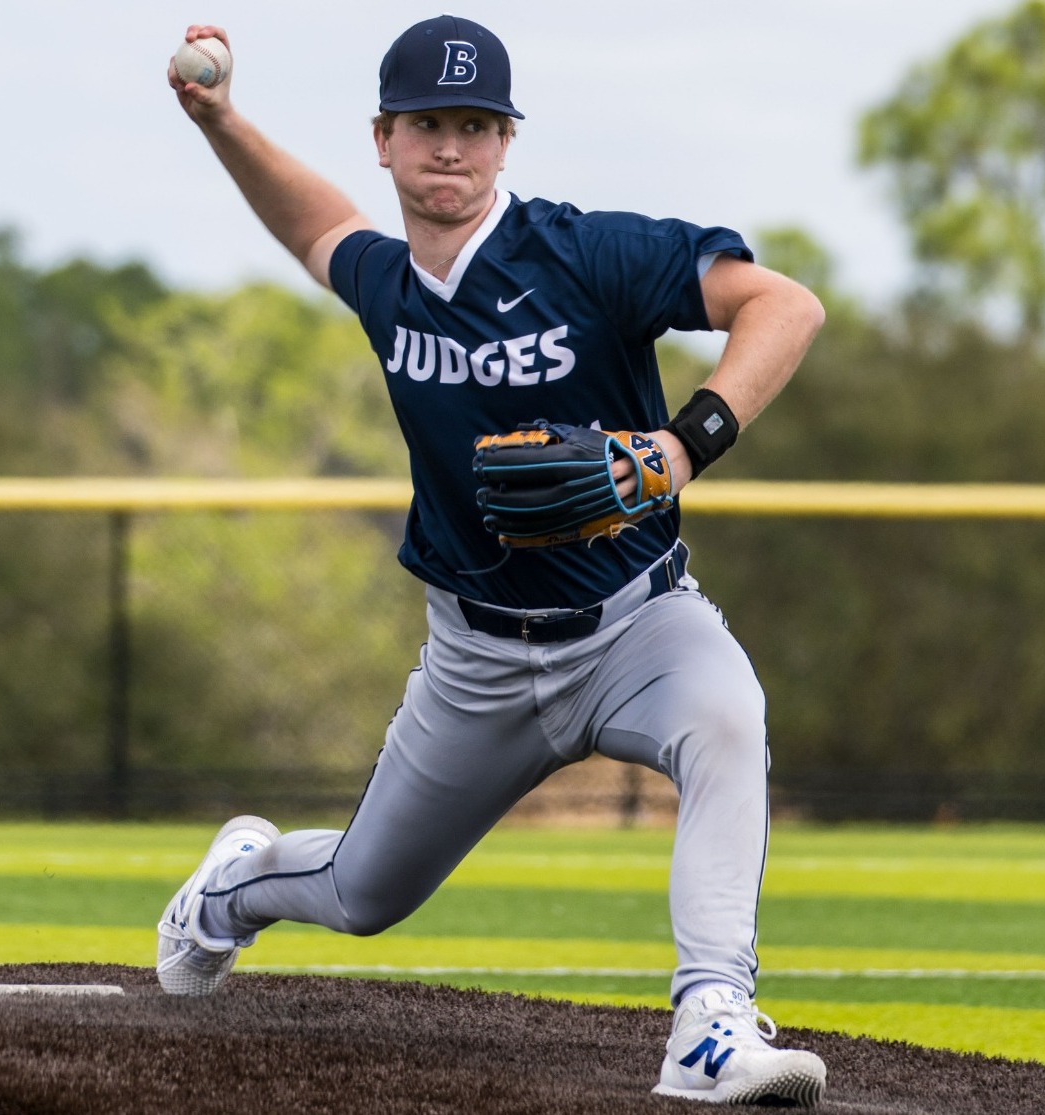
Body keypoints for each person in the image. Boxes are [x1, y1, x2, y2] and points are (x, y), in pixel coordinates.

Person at [160, 15, 828, 1106]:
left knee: (727, 718)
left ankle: (709, 1019)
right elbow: (312, 223)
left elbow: (782, 306)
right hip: (473, 662)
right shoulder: (387, 285)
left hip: (634, 623)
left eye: (476, 124)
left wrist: (680, 442)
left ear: (506, 141)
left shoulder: (587, 253)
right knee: (362, 891)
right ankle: (230, 888)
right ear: (384, 138)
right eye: (428, 123)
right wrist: (221, 120)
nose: (452, 148)